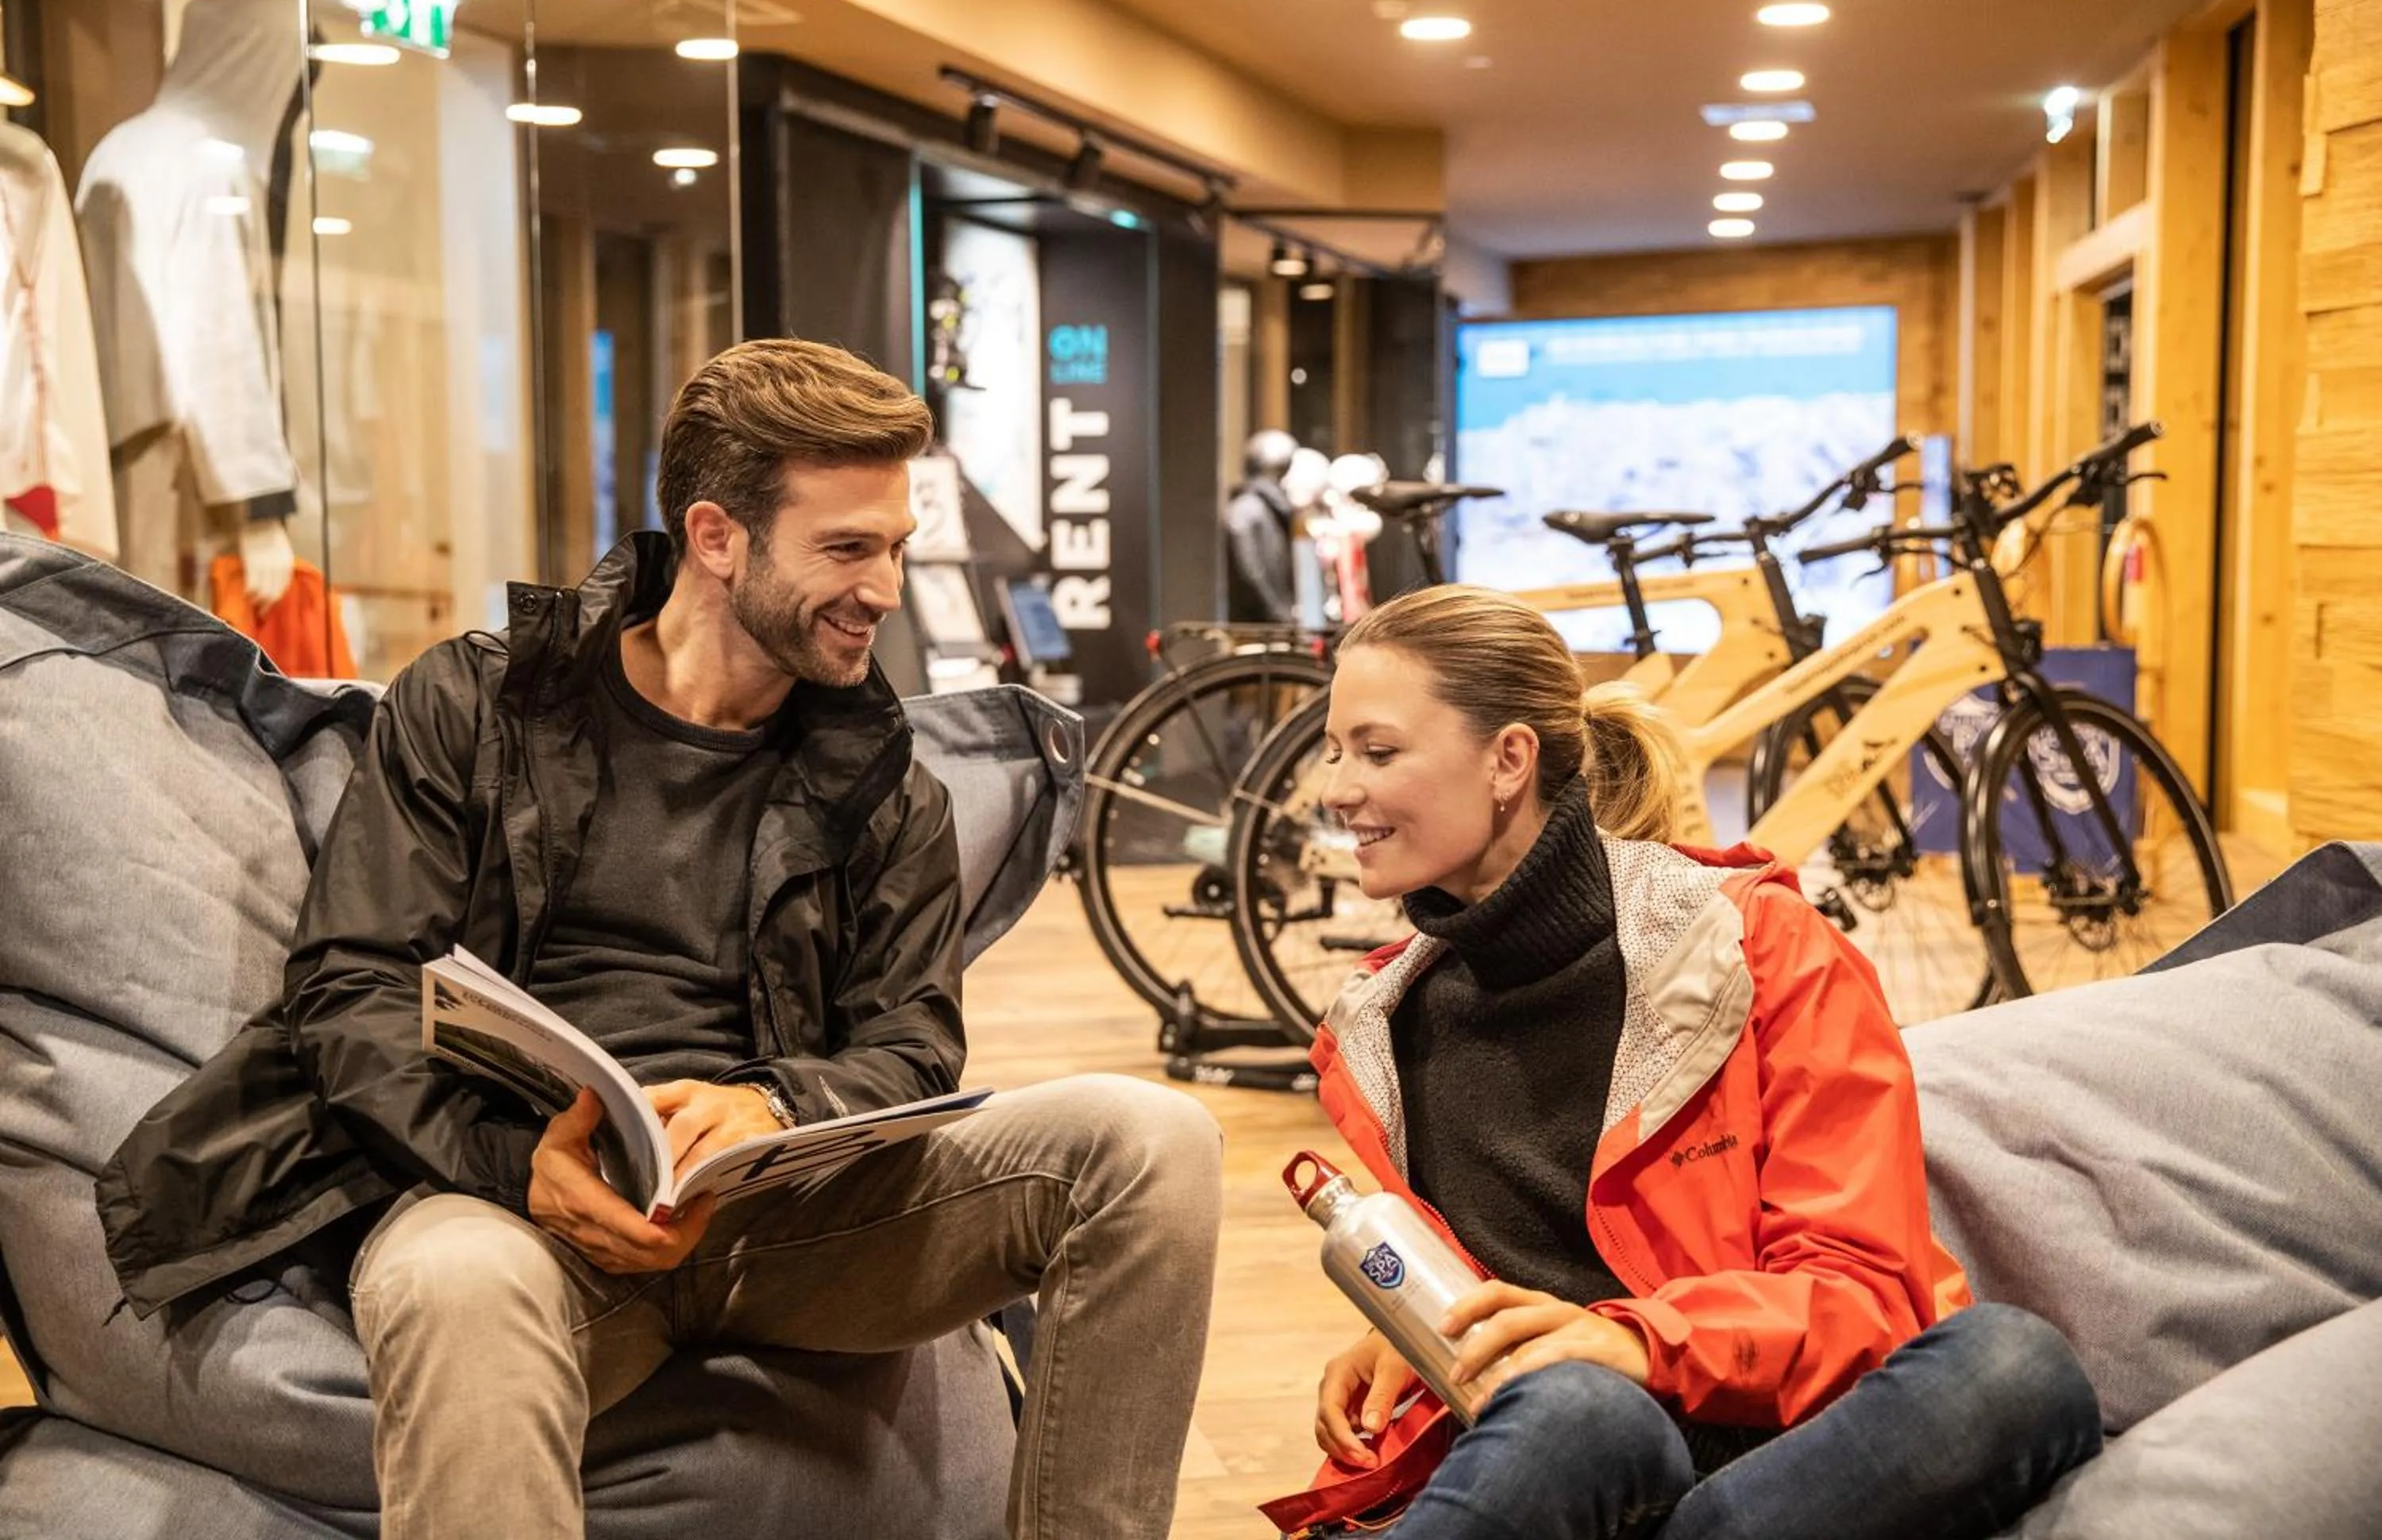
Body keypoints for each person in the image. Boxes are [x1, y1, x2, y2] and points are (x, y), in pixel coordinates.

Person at [95, 338, 1224, 1540]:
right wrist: (510, 1163)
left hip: (799, 1218)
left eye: (895, 546)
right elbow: (354, 988)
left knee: (1153, 1139)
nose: (885, 588)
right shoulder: (477, 707)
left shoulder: (883, 778)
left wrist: (778, 1109)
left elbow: (912, 1043)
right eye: (847, 548)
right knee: (448, 1280)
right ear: (717, 536)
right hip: (533, 1212)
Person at [1282, 584, 2102, 1539]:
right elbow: (1522, 1332)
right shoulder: (1385, 1024)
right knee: (1584, 1414)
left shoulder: (1759, 947)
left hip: (1778, 1466)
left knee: (2012, 1365)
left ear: (1510, 759)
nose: (1337, 788)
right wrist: (1427, 1346)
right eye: (1336, 749)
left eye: (1377, 751)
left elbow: (1864, 1298)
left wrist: (1634, 1339)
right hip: (1571, 1459)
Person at [1226, 427, 1301, 623]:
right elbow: (1249, 570)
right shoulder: (1247, 509)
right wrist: (1275, 610)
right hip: (1256, 624)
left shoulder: (1269, 510)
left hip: (1272, 622)